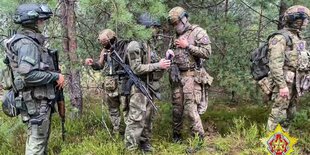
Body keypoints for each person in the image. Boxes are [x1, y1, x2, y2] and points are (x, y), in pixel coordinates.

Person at [7, 3, 65, 154]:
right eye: (40, 20)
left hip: (37, 100)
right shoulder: (27, 44)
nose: (42, 23)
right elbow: (29, 75)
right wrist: (55, 76)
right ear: (33, 21)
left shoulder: (26, 41)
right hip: (36, 102)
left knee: (40, 141)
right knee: (36, 143)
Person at [124, 13, 171, 152]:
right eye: (154, 28)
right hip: (139, 88)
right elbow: (137, 68)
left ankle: (145, 144)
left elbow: (153, 64)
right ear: (145, 28)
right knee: (136, 120)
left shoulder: (149, 45)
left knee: (148, 118)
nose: (156, 31)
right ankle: (130, 149)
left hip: (150, 87)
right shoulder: (134, 45)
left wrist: (166, 60)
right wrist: (158, 65)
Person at [166, 6, 212, 143]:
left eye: (177, 23)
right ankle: (177, 138)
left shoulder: (198, 32)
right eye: (173, 24)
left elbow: (207, 52)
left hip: (192, 77)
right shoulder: (175, 36)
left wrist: (187, 46)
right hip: (177, 78)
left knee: (191, 110)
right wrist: (169, 57)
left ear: (184, 19)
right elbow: (172, 54)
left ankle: (198, 140)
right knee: (176, 109)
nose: (176, 26)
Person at [266, 5, 310, 132]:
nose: (307, 22)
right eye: (305, 19)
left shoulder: (297, 38)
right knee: (278, 114)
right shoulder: (280, 38)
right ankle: (271, 147)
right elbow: (275, 64)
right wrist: (281, 85)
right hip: (285, 82)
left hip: (295, 83)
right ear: (297, 20)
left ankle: (281, 144)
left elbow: (300, 61)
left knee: (290, 113)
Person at [85, 29, 129, 135]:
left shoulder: (123, 48)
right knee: (113, 108)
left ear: (112, 38)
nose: (104, 44)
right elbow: (100, 65)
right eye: (102, 42)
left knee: (126, 107)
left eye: (105, 41)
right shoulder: (104, 51)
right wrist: (92, 64)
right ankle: (116, 130)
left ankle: (129, 131)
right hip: (111, 85)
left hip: (123, 82)